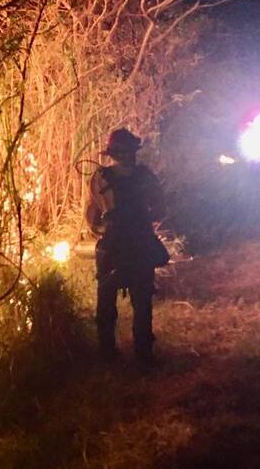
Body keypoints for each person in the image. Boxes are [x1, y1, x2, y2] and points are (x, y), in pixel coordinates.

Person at [85, 128, 166, 364]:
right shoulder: (145, 177)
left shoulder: (100, 179)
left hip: (112, 247)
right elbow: (160, 208)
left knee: (106, 300)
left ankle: (107, 352)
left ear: (112, 154)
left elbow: (92, 218)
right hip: (140, 244)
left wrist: (104, 229)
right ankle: (143, 354)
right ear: (133, 152)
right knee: (142, 301)